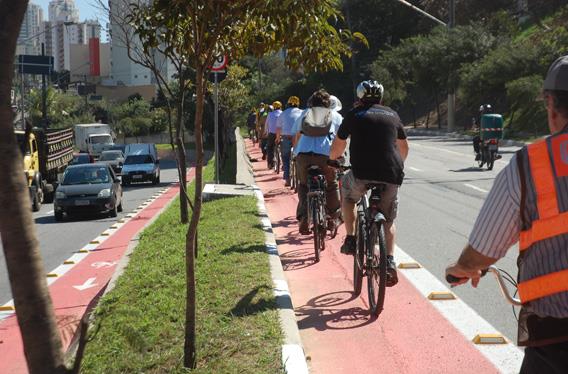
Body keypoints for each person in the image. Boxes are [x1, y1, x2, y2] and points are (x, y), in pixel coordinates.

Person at [445, 55, 568, 373]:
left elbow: (481, 254)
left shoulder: (531, 164)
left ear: (550, 104)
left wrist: (462, 268)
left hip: (555, 340)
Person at [330, 80, 409, 287]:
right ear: (381, 98)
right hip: (391, 173)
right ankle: (390, 261)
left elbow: (339, 144)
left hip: (361, 173)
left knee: (347, 197)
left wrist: (332, 160)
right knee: (389, 220)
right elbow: (403, 147)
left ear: (360, 97)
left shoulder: (354, 115)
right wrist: (397, 167)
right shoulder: (393, 114)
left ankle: (351, 238)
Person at [293, 89, 343, 235]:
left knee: (303, 185)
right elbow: (342, 138)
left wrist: (296, 152)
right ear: (328, 103)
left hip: (304, 155)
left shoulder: (304, 113)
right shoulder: (335, 115)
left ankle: (303, 217)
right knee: (331, 185)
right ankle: (333, 218)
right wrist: (337, 157)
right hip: (325, 156)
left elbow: (296, 134)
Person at [276, 96, 303, 186]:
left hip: (286, 137)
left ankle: (287, 179)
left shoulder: (283, 113)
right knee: (301, 158)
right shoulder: (302, 112)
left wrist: (278, 138)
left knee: (286, 158)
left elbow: (278, 128)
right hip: (298, 138)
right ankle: (300, 178)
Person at [266, 101, 283, 169]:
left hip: (272, 134)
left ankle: (270, 164)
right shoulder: (282, 113)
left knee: (269, 147)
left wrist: (266, 132)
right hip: (281, 134)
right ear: (280, 107)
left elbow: (266, 124)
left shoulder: (270, 114)